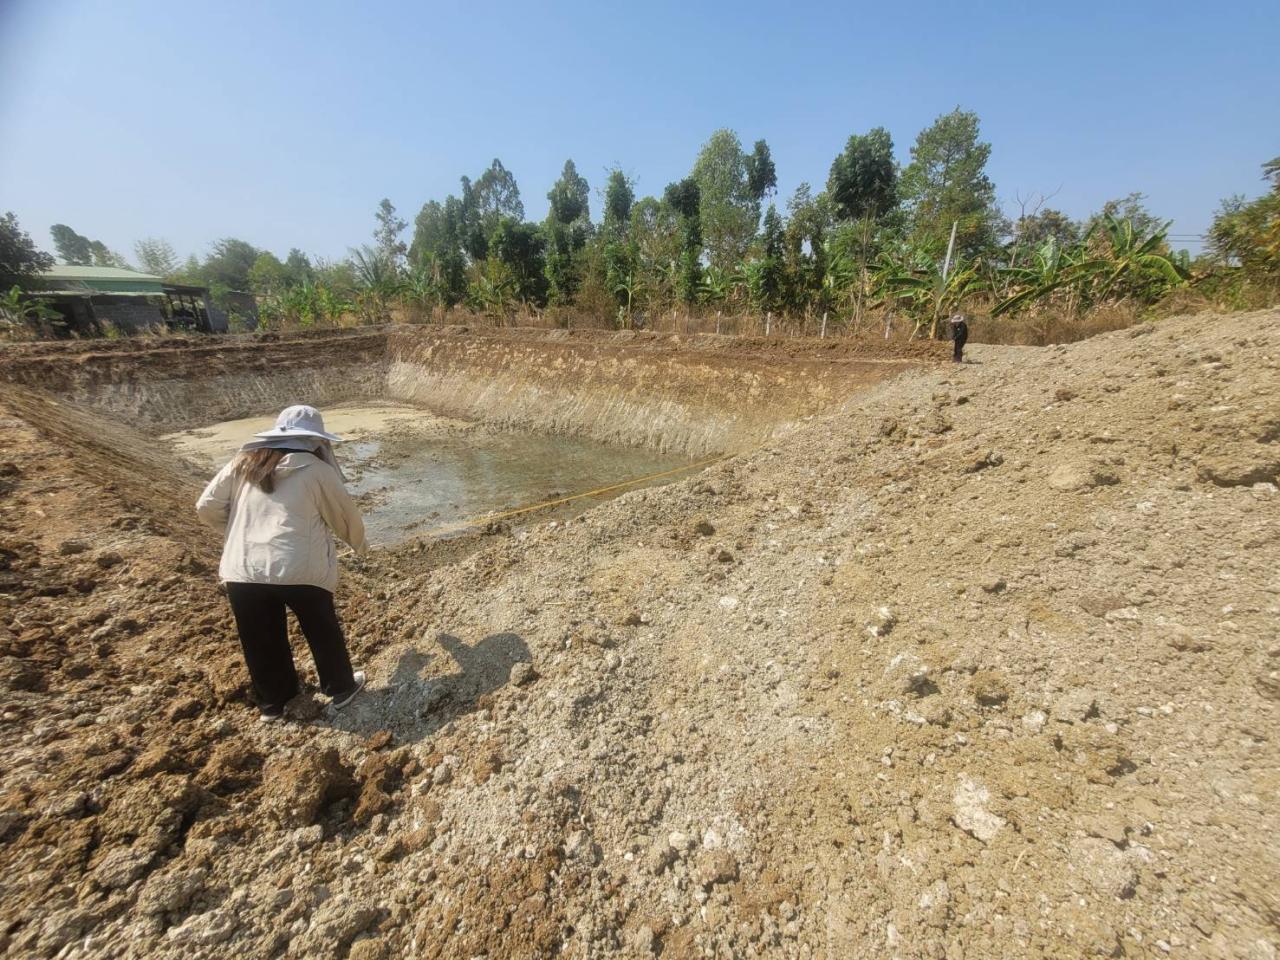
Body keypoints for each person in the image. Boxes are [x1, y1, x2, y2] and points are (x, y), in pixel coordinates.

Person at [196, 404, 367, 720]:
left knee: (259, 638)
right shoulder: (317, 470)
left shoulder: (242, 462)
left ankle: (274, 703)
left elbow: (206, 506)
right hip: (298, 566)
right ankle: (340, 689)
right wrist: (359, 545)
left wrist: (239, 531)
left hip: (243, 569)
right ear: (314, 440)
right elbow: (344, 517)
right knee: (321, 628)